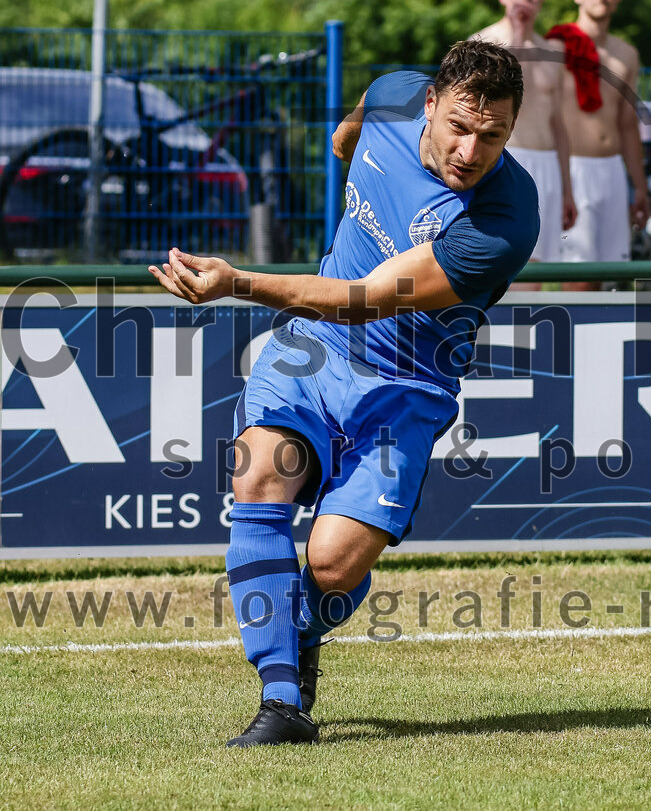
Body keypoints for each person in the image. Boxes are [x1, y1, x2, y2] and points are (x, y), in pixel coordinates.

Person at [148, 40, 538, 747]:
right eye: (459, 125)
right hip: (312, 348)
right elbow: (344, 136)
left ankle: (299, 629)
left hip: (407, 385)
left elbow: (362, 300)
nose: (471, 150)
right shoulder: (391, 92)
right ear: (428, 103)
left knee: (332, 565)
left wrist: (236, 283)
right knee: (259, 471)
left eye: (493, 135)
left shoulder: (504, 219)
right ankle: (282, 702)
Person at [548, 0, 650, 291]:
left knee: (613, 274)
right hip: (573, 168)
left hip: (612, 170)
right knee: (577, 274)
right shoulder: (557, 46)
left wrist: (640, 186)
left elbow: (627, 125)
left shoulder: (627, 53)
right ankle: (568, 343)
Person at [473, 0, 576, 288]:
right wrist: (516, 35)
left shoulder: (553, 50)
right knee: (503, 264)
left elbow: (558, 122)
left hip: (547, 167)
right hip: (504, 161)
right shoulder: (482, 44)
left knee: (538, 272)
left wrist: (567, 188)